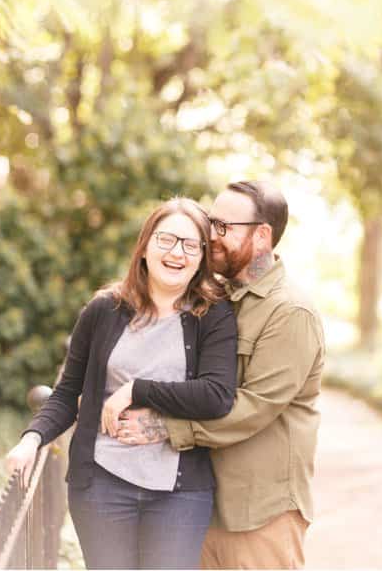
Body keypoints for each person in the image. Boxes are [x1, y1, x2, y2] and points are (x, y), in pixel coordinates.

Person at [5, 198, 238, 569]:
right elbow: (67, 392)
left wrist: (137, 389)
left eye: (191, 245)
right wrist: (32, 438)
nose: (177, 252)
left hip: (180, 494)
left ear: (201, 258)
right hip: (102, 485)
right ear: (145, 246)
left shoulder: (213, 315)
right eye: (166, 240)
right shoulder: (103, 310)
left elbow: (216, 396)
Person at [116, 180, 325, 569]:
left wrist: (166, 428)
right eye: (211, 222)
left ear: (262, 236)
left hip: (260, 513)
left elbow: (254, 406)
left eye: (223, 227)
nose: (210, 234)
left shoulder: (290, 313)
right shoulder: (216, 300)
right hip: (203, 503)